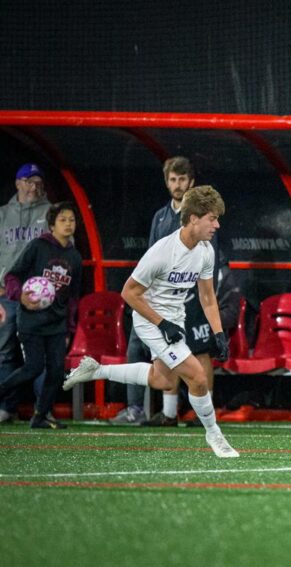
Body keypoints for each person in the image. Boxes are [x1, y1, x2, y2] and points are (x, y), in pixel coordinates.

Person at [64, 186, 237, 457]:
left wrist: (218, 334)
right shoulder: (163, 251)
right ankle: (215, 436)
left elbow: (207, 297)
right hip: (149, 319)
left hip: (174, 318)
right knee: (198, 376)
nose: (217, 224)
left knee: (162, 380)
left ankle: (96, 370)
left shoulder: (205, 250)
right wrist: (162, 324)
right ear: (193, 218)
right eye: (212, 218)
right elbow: (129, 293)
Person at [109, 156, 220, 427]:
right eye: (173, 179)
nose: (178, 184)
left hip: (191, 294)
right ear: (166, 182)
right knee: (161, 352)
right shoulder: (160, 216)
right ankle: (168, 413)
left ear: (191, 181)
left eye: (182, 179)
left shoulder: (204, 215)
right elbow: (150, 256)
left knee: (200, 350)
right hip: (159, 299)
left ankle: (201, 413)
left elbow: (209, 258)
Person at [0, 201, 82, 428]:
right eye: (63, 220)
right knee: (33, 368)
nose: (68, 224)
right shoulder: (38, 246)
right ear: (52, 225)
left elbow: (73, 298)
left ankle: (41, 416)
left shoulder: (74, 257)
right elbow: (11, 277)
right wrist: (21, 296)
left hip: (57, 325)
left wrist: (69, 329)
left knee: (56, 371)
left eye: (72, 220)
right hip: (32, 321)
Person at [0, 164, 51, 423]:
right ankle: (6, 408)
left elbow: (62, 251)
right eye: (28, 181)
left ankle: (42, 410)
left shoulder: (50, 213)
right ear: (18, 183)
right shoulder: (2, 215)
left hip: (40, 297)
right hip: (5, 296)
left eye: (37, 182)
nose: (33, 187)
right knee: (5, 351)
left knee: (40, 354)